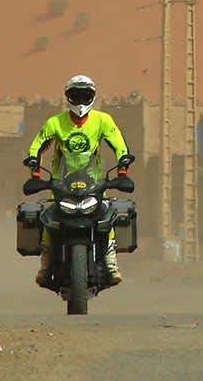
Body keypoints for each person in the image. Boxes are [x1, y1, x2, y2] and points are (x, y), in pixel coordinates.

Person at [25, 74, 131, 287]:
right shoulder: (55, 122)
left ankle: (111, 263)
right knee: (48, 218)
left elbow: (119, 144)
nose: (81, 101)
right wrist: (35, 171)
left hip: (94, 183)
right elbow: (37, 146)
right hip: (61, 184)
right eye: (76, 96)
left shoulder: (102, 120)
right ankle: (45, 266)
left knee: (107, 214)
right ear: (68, 97)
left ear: (92, 96)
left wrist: (122, 170)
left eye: (85, 96)